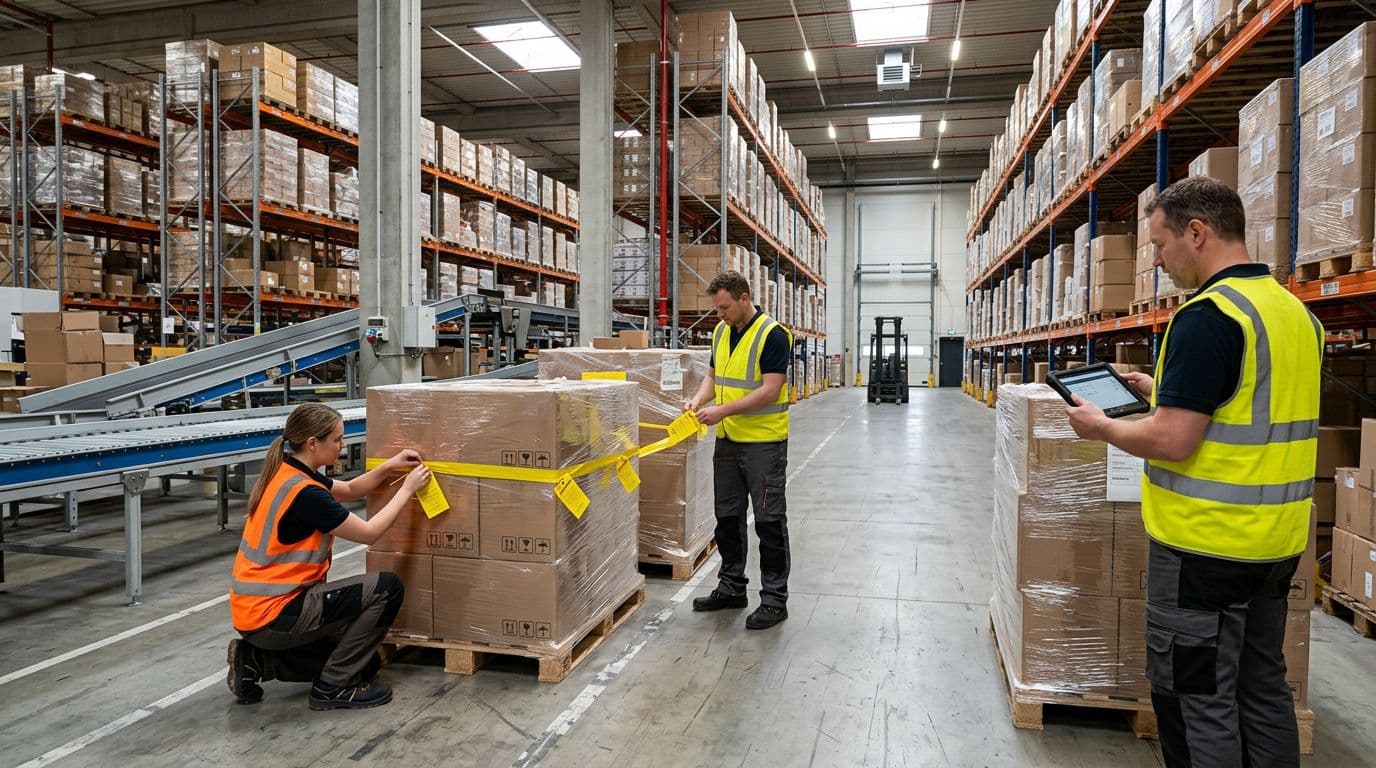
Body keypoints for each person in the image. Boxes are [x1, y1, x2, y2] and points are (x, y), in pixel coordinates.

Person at [1066, 177, 1321, 767]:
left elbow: (1174, 441)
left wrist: (1102, 427)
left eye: (1159, 244)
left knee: (1196, 700)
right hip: (1277, 545)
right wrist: (1164, 389)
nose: (1156, 260)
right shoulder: (1293, 315)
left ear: (1198, 233)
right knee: (1262, 690)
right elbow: (1250, 404)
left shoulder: (1208, 317)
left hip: (1205, 551)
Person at [226, 401, 431, 710]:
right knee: (386, 588)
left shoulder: (289, 472)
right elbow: (369, 532)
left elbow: (349, 489)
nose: (342, 446)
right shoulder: (307, 495)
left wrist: (390, 466)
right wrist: (407, 489)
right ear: (313, 443)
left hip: (257, 613)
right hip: (276, 613)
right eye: (336, 439)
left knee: (367, 664)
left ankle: (256, 659)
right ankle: (333, 687)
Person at [684, 270, 794, 630]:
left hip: (763, 443)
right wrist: (699, 399)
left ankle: (775, 600)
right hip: (728, 442)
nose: (720, 315)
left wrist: (720, 411)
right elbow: (714, 378)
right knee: (727, 517)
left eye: (725, 307)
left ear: (745, 298)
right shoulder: (720, 331)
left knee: (768, 522)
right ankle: (732, 587)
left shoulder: (773, 335)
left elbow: (770, 391)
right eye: (717, 309)